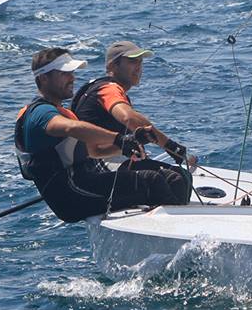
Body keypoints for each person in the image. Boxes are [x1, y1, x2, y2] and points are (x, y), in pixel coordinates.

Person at [15, 47, 188, 224]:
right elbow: (70, 128)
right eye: (64, 73)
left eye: (72, 73)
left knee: (172, 179)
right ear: (44, 78)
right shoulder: (40, 113)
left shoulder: (60, 111)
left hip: (83, 183)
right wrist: (118, 138)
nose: (72, 78)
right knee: (151, 181)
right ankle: (176, 229)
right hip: (71, 195)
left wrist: (126, 144)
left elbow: (93, 152)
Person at [71, 41, 192, 204]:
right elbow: (128, 117)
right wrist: (169, 145)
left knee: (180, 177)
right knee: (175, 179)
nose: (139, 67)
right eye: (132, 61)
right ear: (113, 66)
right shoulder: (109, 89)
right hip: (96, 164)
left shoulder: (102, 87)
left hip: (105, 158)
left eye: (140, 62)